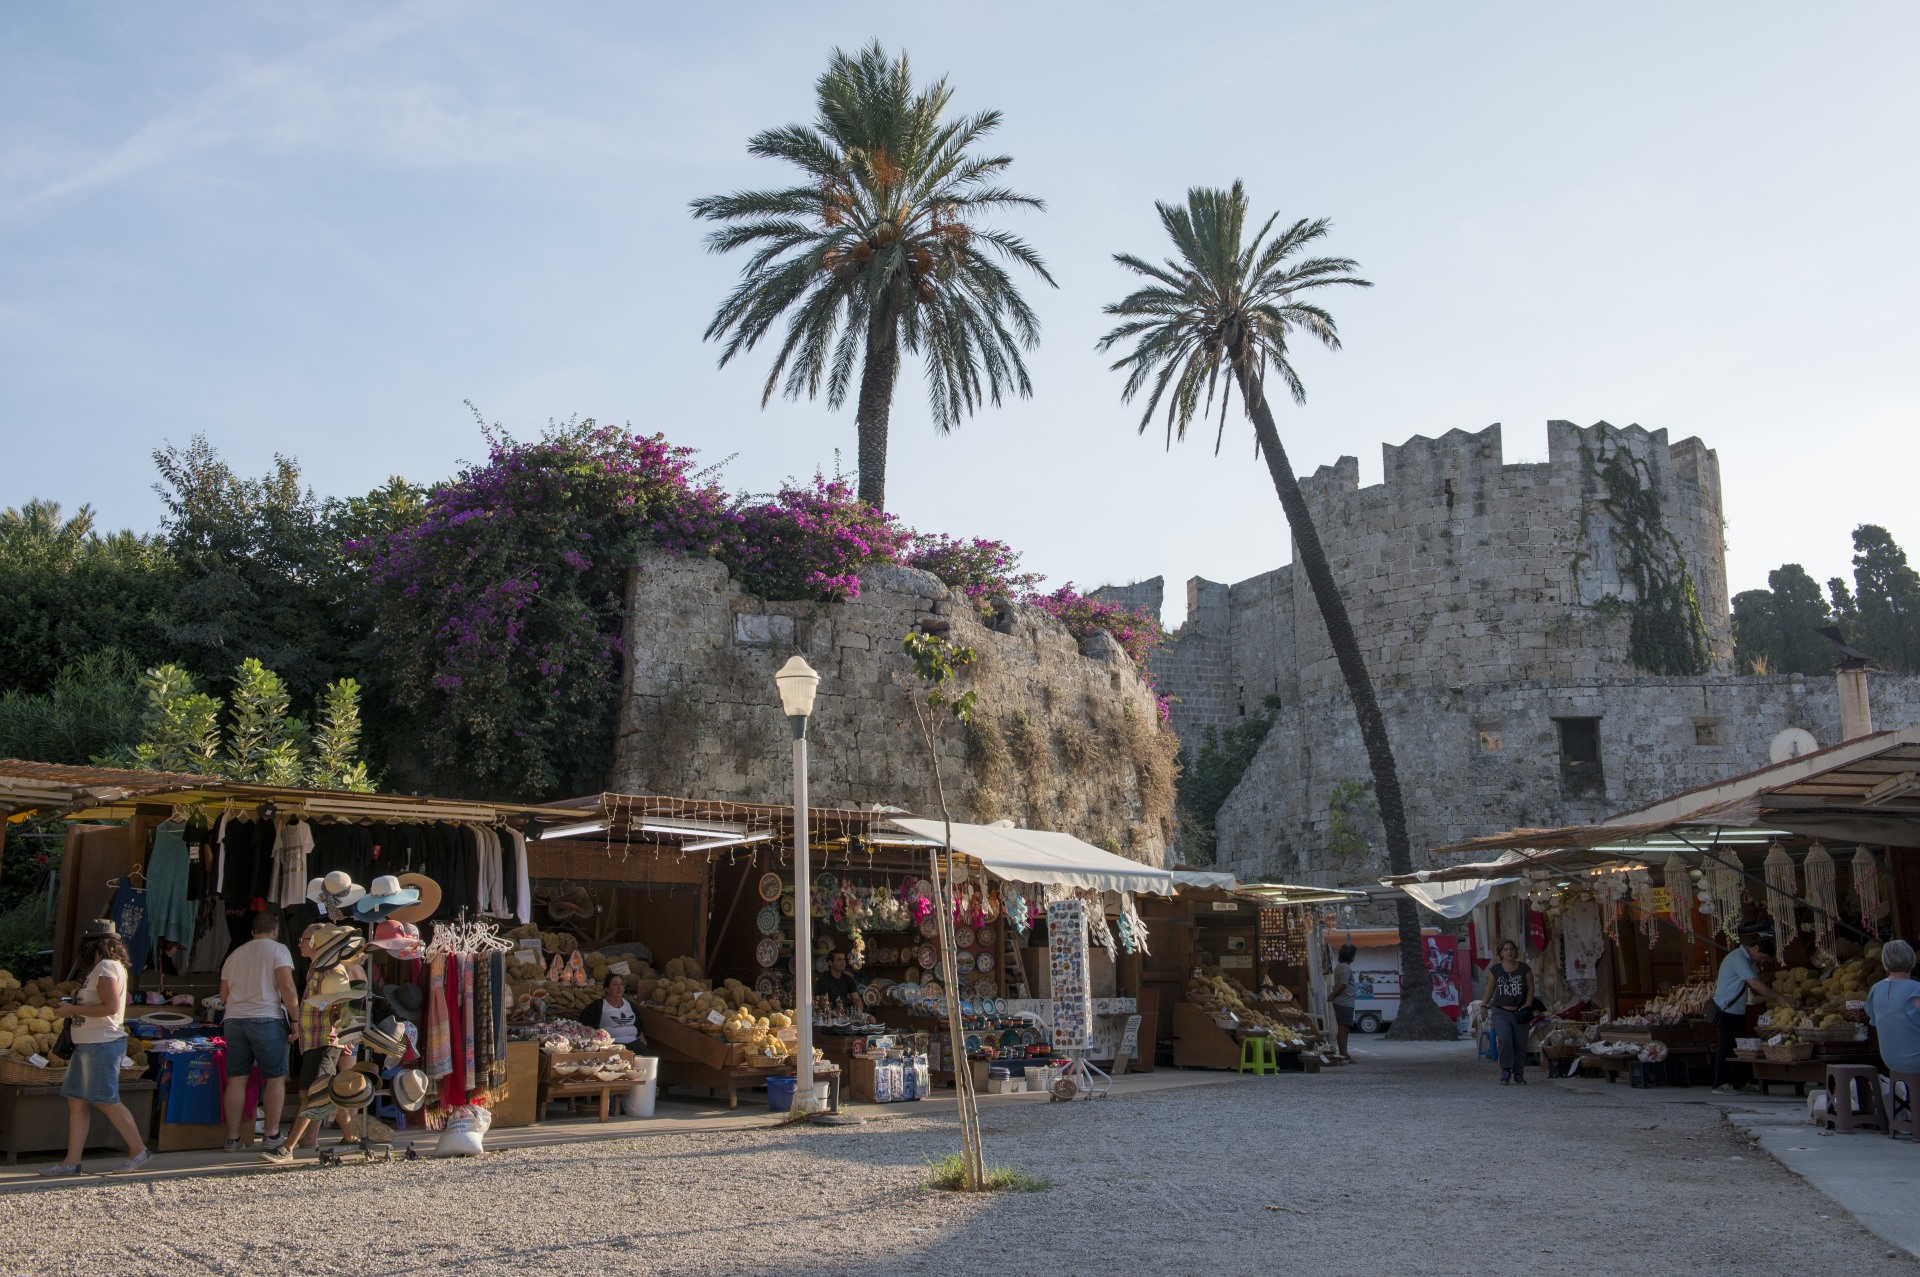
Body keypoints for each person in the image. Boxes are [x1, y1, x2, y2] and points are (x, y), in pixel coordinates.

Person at [40, 919, 152, 1176]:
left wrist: (72, 1009)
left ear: (94, 945)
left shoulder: (105, 967)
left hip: (101, 1044)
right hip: (89, 1044)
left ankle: (138, 1150)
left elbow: (110, 1007)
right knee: (76, 1100)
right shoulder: (110, 967)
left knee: (106, 1100)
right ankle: (71, 1162)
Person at [261, 924, 359, 1164]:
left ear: (316, 942)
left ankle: (287, 1147)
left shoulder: (332, 971)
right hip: (315, 1040)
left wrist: (345, 1034)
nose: (299, 944)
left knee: (312, 1095)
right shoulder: (318, 969)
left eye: (303, 939)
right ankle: (351, 1137)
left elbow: (342, 1006)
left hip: (325, 1041)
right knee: (320, 1093)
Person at [218, 910, 299, 1152]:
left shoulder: (234, 955)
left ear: (252, 932)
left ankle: (233, 1137)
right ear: (275, 930)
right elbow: (286, 985)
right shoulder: (278, 950)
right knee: (275, 1078)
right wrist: (295, 1019)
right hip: (266, 1018)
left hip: (234, 1019)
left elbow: (223, 996)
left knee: (237, 1078)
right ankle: (272, 1134)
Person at [1711, 930, 1797, 1095]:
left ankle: (1741, 1082)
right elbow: (1755, 984)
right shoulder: (1738, 958)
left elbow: (1755, 987)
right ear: (1756, 948)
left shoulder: (1748, 961)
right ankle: (1720, 1083)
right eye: (1763, 957)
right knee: (1726, 1047)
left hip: (1737, 1011)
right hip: (1726, 1010)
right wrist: (1779, 997)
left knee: (1740, 1048)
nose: (1762, 961)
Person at [1481, 940, 1535, 1085]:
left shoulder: (1524, 969)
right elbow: (1490, 989)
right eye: (1505, 949)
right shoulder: (1496, 970)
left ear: (1515, 951)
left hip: (1520, 1012)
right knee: (1505, 1039)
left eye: (1511, 949)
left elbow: (1531, 988)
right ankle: (1506, 1069)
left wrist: (1527, 1005)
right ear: (1501, 953)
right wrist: (1484, 1005)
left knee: (1520, 1043)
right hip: (1501, 1011)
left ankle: (1518, 1073)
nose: (1509, 952)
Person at [1865, 939, 1920, 1077]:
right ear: (1912, 959)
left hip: (1891, 1061)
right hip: (1915, 1060)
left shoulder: (1875, 989)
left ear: (1885, 962)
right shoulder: (1915, 989)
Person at [577, 973, 648, 1049]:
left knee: (648, 1058)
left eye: (621, 984)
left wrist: (641, 1033)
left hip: (634, 1042)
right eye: (615, 984)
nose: (619, 987)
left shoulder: (630, 1005)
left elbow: (638, 1024)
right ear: (607, 989)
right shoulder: (597, 1006)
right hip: (611, 1045)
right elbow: (584, 1026)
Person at [1327, 944, 1357, 1061]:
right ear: (1351, 957)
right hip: (1344, 1002)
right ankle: (1344, 1054)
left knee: (1344, 1027)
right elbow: (1341, 986)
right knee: (1344, 1028)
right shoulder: (1345, 968)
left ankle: (1344, 1053)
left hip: (1343, 1001)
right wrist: (1332, 996)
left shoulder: (1339, 966)